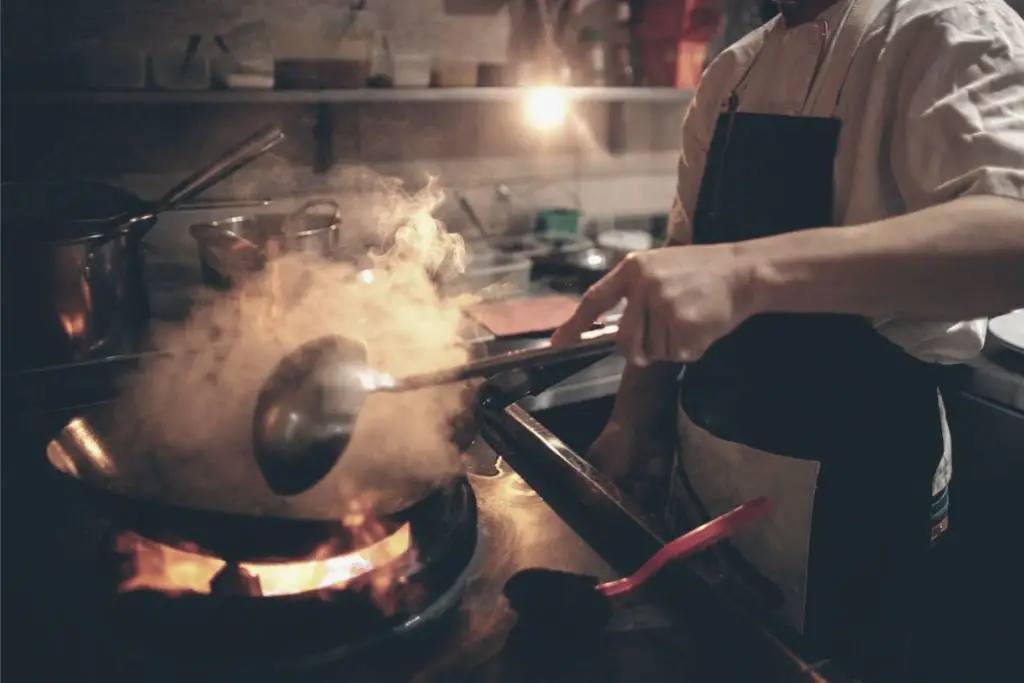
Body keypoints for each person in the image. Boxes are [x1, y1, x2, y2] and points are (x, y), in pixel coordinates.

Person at [552, 0, 1024, 680]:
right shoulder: (732, 75)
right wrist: (631, 419)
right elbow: (680, 260)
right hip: (707, 471)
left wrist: (746, 272)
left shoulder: (944, 29)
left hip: (857, 491)